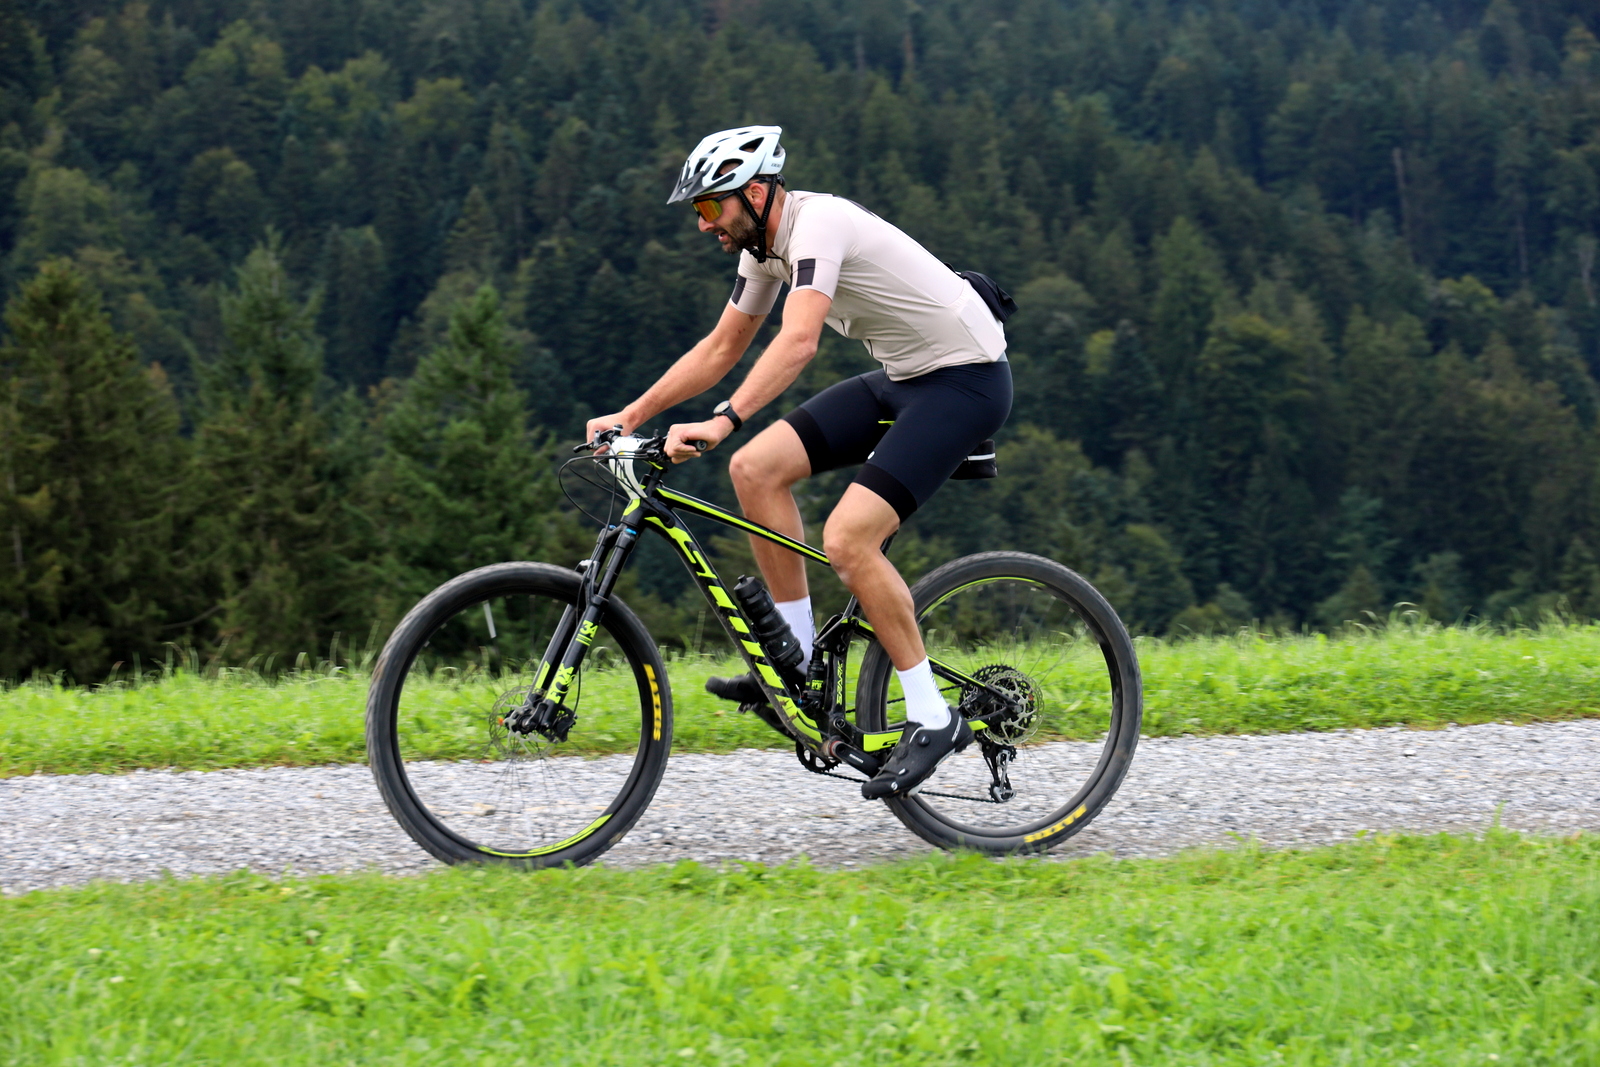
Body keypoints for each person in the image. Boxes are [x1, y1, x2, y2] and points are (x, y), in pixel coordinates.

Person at [585, 125, 1012, 799]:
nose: (704, 225)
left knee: (848, 539)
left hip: (965, 383)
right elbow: (722, 346)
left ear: (755, 194)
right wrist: (632, 415)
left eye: (710, 207)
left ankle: (932, 715)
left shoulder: (819, 226)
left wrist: (724, 418)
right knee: (754, 470)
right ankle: (800, 657)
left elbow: (799, 341)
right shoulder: (764, 250)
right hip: (905, 377)